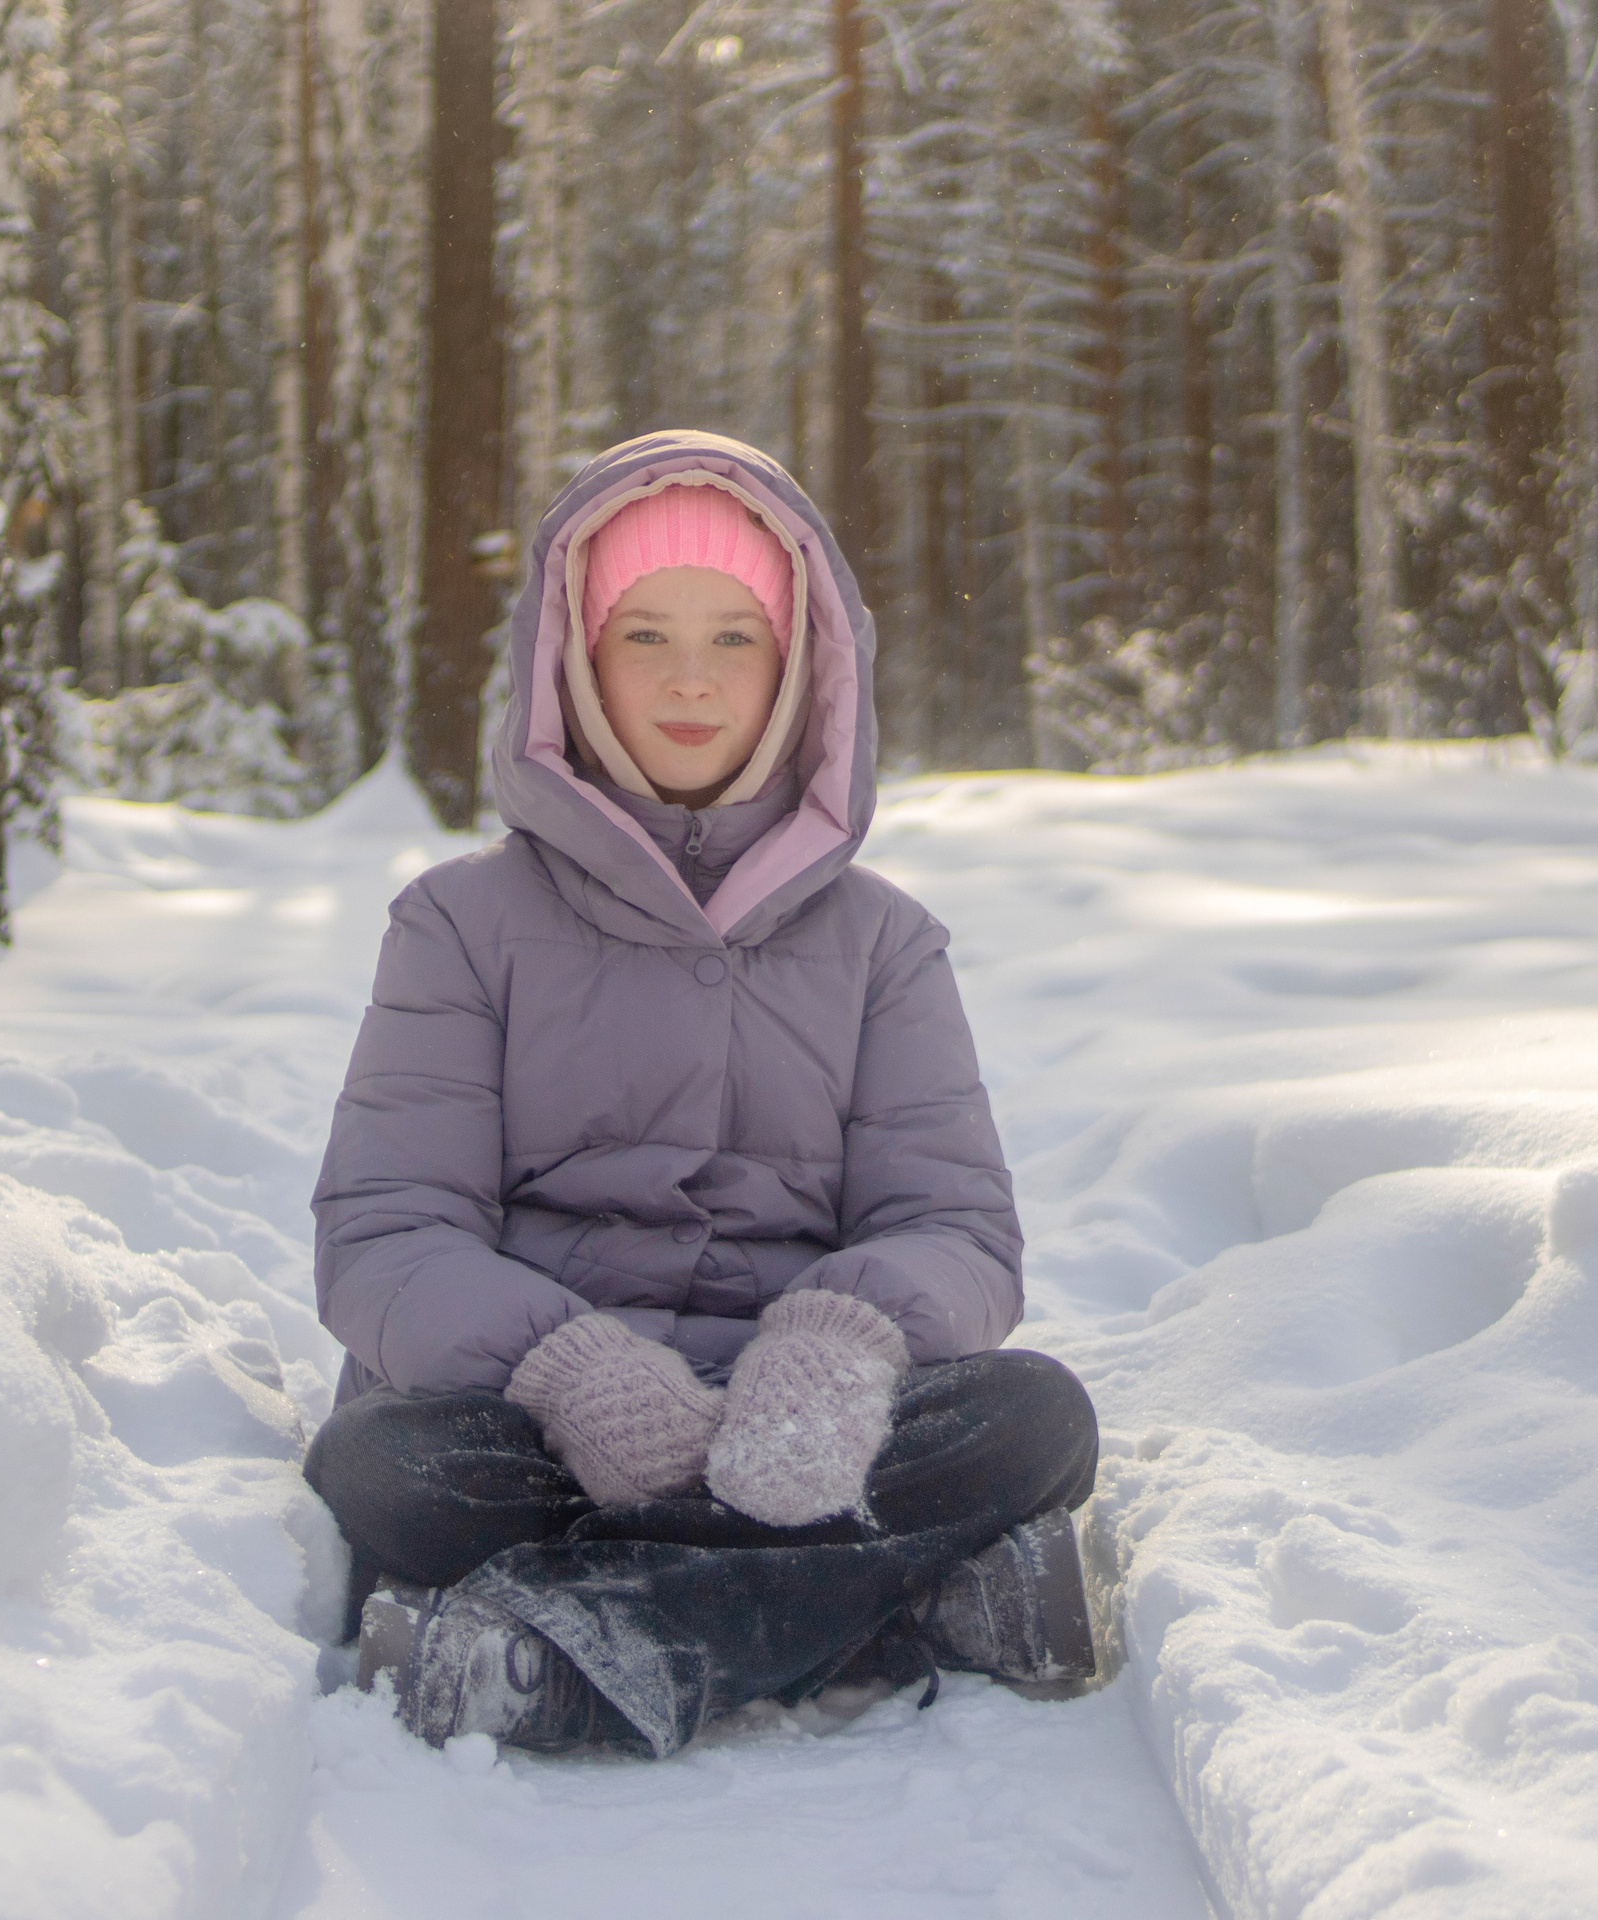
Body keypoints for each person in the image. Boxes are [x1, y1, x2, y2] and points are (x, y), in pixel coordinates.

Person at [304, 430, 1098, 1758]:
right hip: (532, 1426)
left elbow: (955, 1229)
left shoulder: (882, 944)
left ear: (801, 668)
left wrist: (839, 1344)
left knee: (1034, 1421)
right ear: (573, 656)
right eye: (642, 634)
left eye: (734, 638)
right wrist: (562, 1367)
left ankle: (568, 1646)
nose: (688, 679)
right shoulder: (459, 925)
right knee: (386, 1471)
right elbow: (387, 1236)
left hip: (812, 1423)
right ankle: (909, 1594)